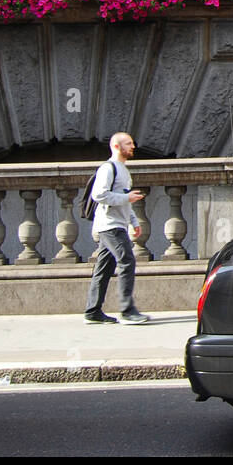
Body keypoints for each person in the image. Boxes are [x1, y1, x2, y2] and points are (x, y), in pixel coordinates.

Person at [84, 132, 149, 325]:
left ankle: (92, 311)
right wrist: (126, 199)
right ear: (116, 146)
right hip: (109, 226)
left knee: (104, 268)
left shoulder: (123, 170)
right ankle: (127, 311)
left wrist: (134, 222)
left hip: (117, 224)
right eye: (128, 144)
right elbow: (99, 195)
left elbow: (124, 200)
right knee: (127, 260)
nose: (133, 146)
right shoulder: (108, 168)